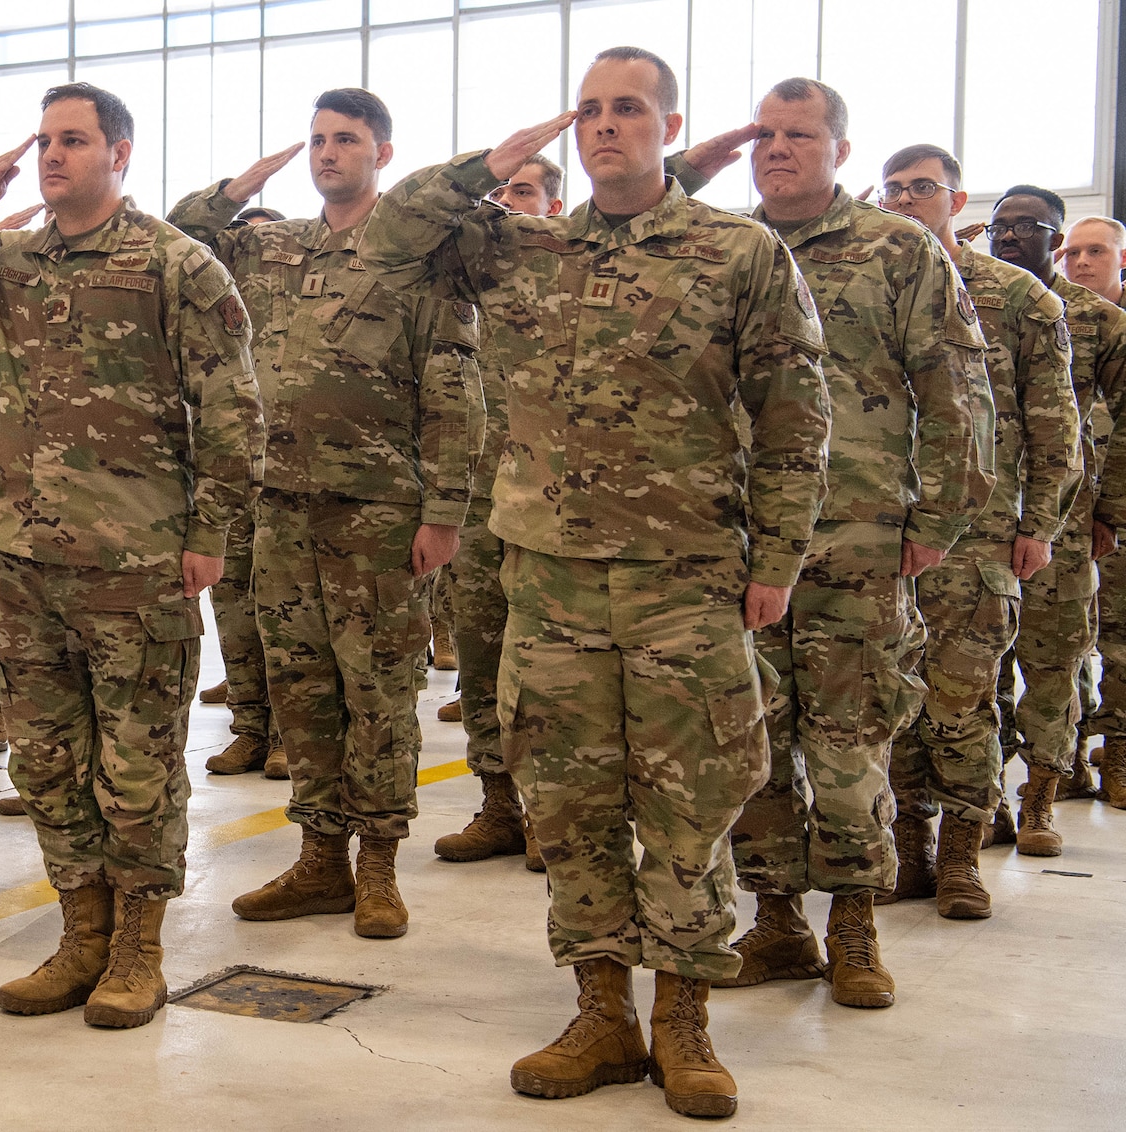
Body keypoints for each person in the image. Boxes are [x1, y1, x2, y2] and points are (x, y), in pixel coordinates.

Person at [365, 47, 830, 1117]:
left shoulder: (737, 250)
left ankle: (683, 1020)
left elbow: (794, 414)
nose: (606, 125)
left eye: (628, 109)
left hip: (685, 579)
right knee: (569, 807)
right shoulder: (519, 248)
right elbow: (389, 237)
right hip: (550, 583)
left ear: (671, 127)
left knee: (691, 802)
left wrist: (777, 559)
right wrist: (485, 165)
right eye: (589, 111)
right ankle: (601, 1012)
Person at [0, 83, 263, 1028]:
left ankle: (138, 947)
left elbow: (233, 408)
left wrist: (210, 533)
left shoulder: (176, 263)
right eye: (45, 141)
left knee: (136, 763)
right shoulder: (1, 259)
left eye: (74, 141)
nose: (53, 156)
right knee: (46, 763)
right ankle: (80, 934)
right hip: (17, 555)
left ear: (120, 153)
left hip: (133, 556)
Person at [669, 78, 992, 1008]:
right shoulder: (727, 246)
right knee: (752, 737)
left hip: (857, 539)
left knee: (851, 740)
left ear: (840, 151)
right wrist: (690, 166)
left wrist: (938, 520)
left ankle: (855, 923)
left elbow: (956, 387)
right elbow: (623, 219)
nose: (778, 149)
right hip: (738, 542)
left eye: (800, 135)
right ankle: (777, 922)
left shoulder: (897, 249)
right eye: (764, 135)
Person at [169, 87, 483, 939]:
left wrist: (444, 512)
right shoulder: (274, 248)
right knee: (302, 688)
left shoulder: (414, 257)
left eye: (345, 139)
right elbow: (184, 231)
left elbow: (454, 391)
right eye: (317, 141)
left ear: (383, 152)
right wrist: (244, 182)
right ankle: (319, 859)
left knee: (378, 691)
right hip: (281, 508)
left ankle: (377, 865)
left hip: (379, 511)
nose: (327, 154)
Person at [873, 146, 1078, 906]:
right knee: (892, 700)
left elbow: (1056, 424)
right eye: (894, 190)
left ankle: (962, 853)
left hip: (979, 536)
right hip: (882, 530)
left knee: (961, 701)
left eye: (922, 188)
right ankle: (910, 849)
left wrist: (1041, 523)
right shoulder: (867, 283)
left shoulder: (1019, 298)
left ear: (957, 202)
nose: (905, 201)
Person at [431, 153, 567, 872]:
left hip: (551, 508)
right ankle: (498, 805)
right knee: (482, 657)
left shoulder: (569, 280)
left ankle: (551, 812)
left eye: (524, 191)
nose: (508, 201)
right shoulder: (463, 287)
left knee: (548, 668)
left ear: (553, 207)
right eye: (501, 190)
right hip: (475, 504)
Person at [990, 187, 1126, 818]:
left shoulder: (1096, 319)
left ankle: (1045, 792)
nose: (1009, 236)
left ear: (1056, 239)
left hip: (1064, 518)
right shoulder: (968, 302)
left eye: (1027, 226)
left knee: (1054, 659)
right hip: (977, 516)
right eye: (1000, 226)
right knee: (976, 667)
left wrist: (1110, 511)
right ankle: (982, 799)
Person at [1061, 216, 1126, 305]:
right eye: (1073, 253)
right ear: (1062, 263)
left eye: (1095, 251)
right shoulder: (1048, 309)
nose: (1081, 261)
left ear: (1123, 258)